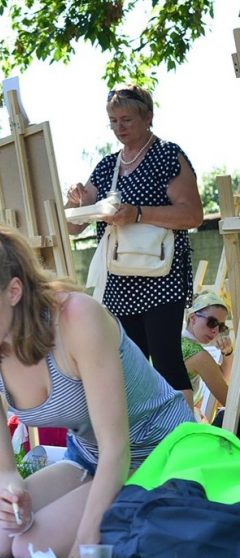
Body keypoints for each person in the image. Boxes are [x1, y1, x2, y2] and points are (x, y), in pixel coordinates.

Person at [0, 219, 194, 558]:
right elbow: (0, 467)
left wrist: (85, 554)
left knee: (28, 549)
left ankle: (142, 524)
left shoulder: (77, 318)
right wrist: (10, 497)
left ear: (13, 291)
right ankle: (118, 522)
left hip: (160, 454)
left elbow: (117, 447)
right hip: (89, 458)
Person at [65, 85, 203, 404]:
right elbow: (72, 226)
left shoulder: (169, 154)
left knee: (166, 361)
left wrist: (138, 214)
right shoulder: (106, 166)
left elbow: (193, 214)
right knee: (131, 365)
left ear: (148, 117)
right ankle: (146, 440)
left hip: (161, 276)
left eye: (126, 119)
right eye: (113, 121)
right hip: (119, 281)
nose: (119, 127)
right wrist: (79, 202)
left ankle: (184, 438)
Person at [181, 291, 232, 424]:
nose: (215, 330)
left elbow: (221, 377)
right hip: (179, 429)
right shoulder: (197, 354)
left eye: (221, 327)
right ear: (193, 318)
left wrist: (227, 352)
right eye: (212, 322)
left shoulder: (175, 341)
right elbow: (229, 401)